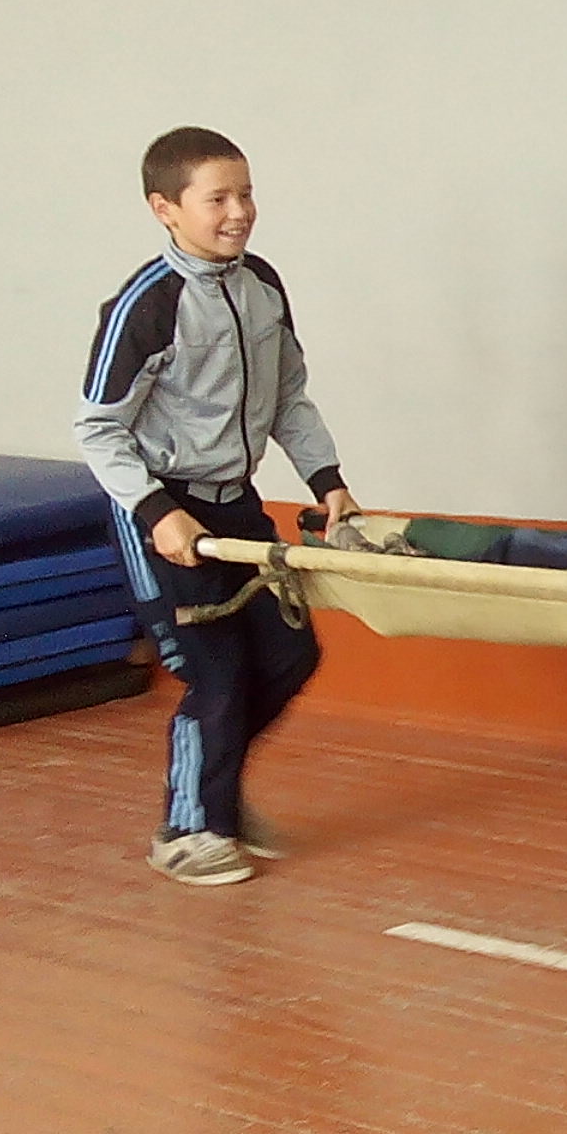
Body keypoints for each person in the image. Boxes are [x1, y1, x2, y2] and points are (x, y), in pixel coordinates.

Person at [75, 127, 360, 886]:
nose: (239, 212)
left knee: (291, 656)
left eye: (246, 194)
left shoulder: (261, 284)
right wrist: (157, 514)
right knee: (218, 674)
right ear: (165, 208)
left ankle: (215, 796)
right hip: (165, 513)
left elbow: (289, 396)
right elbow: (98, 428)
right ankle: (186, 829)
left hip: (237, 506)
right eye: (218, 199)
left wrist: (327, 481)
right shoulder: (147, 304)